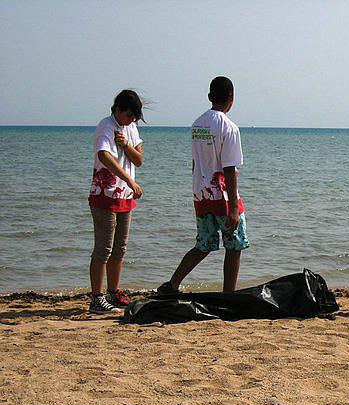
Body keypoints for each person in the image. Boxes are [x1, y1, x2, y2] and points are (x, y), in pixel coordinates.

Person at [158, 76, 249, 294]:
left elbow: (195, 162)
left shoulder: (197, 124)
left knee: (204, 244)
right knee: (235, 245)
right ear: (232, 99)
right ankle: (229, 294)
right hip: (221, 194)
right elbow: (229, 168)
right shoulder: (229, 127)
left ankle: (172, 285)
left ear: (209, 97)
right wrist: (234, 207)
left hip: (200, 192)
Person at [88, 89, 144, 314]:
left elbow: (138, 159)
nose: (131, 120)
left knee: (119, 249)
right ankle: (97, 298)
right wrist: (129, 180)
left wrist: (125, 145)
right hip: (105, 195)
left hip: (124, 197)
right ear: (118, 110)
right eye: (128, 115)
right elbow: (104, 155)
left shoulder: (130, 127)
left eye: (134, 117)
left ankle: (114, 291)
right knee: (103, 249)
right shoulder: (106, 126)